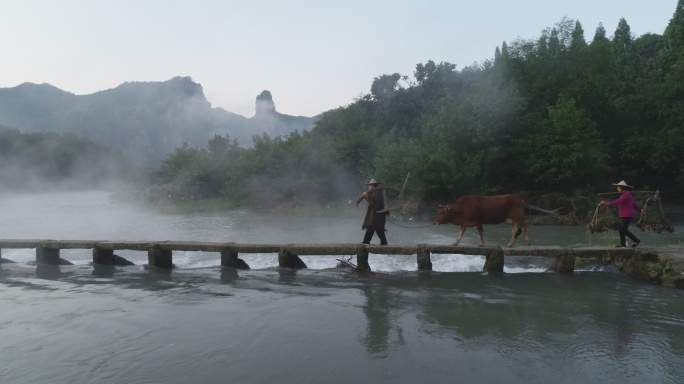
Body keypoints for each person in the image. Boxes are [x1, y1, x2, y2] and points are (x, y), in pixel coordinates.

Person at [600, 180, 642, 247]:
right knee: (622, 230)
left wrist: (606, 203)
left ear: (621, 187)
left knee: (622, 229)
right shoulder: (626, 194)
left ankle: (636, 240)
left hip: (626, 215)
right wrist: (639, 210)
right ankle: (623, 245)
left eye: (618, 187)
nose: (617, 189)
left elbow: (618, 201)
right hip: (624, 215)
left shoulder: (626, 195)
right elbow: (633, 204)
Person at [355, 178, 388, 245]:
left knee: (378, 229)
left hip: (377, 215)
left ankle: (384, 242)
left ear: (373, 185)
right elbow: (372, 202)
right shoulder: (375, 192)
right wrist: (367, 196)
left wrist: (367, 196)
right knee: (370, 228)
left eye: (370, 185)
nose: (369, 187)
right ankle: (366, 241)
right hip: (375, 215)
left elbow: (373, 204)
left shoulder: (377, 193)